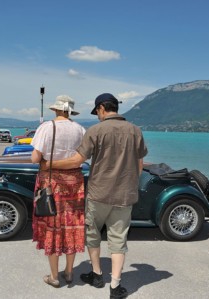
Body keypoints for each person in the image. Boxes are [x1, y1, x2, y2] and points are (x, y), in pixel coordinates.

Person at [43, 93, 148, 299]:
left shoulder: (96, 130)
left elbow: (76, 161)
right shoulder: (136, 131)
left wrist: (49, 165)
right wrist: (131, 185)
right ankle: (115, 286)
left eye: (97, 112)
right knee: (118, 240)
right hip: (124, 196)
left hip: (98, 193)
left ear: (101, 108)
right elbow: (139, 164)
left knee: (93, 235)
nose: (98, 116)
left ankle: (97, 275)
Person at [31, 95, 86, 288]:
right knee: (72, 224)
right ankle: (69, 272)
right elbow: (82, 157)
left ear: (55, 110)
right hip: (75, 183)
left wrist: (47, 160)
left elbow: (35, 158)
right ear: (70, 111)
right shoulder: (80, 129)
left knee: (52, 226)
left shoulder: (46, 127)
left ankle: (54, 276)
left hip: (51, 182)